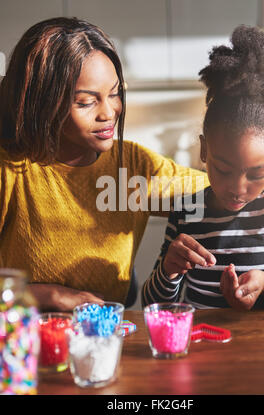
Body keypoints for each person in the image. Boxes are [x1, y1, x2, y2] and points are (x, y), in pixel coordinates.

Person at [0, 17, 209, 311]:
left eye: (114, 94)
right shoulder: (10, 171)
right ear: (42, 102)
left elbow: (224, 189)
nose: (109, 113)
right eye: (86, 102)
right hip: (25, 343)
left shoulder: (134, 168)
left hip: (107, 339)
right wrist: (50, 296)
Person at [142, 25, 264, 310]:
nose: (238, 189)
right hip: (203, 348)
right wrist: (168, 271)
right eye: (224, 170)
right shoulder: (186, 210)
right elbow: (153, 305)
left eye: (257, 174)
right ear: (204, 150)